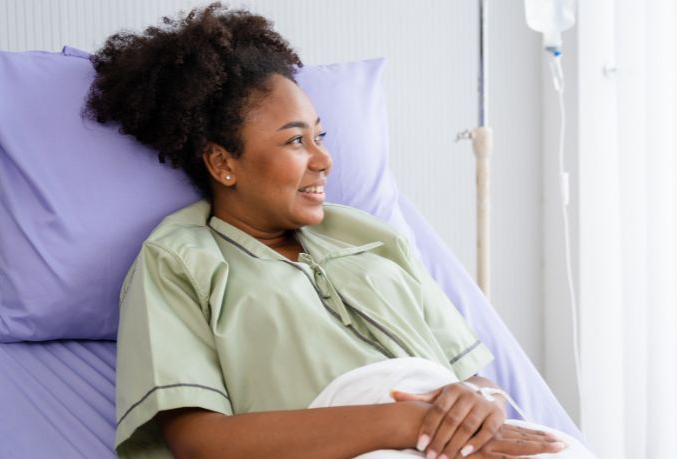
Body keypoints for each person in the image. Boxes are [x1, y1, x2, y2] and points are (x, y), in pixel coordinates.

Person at [86, 3, 569, 458]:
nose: (324, 159)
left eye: (321, 136)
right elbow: (198, 441)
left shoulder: (372, 236)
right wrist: (402, 424)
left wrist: (483, 402)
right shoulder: (178, 259)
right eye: (296, 140)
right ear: (222, 162)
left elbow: (471, 379)